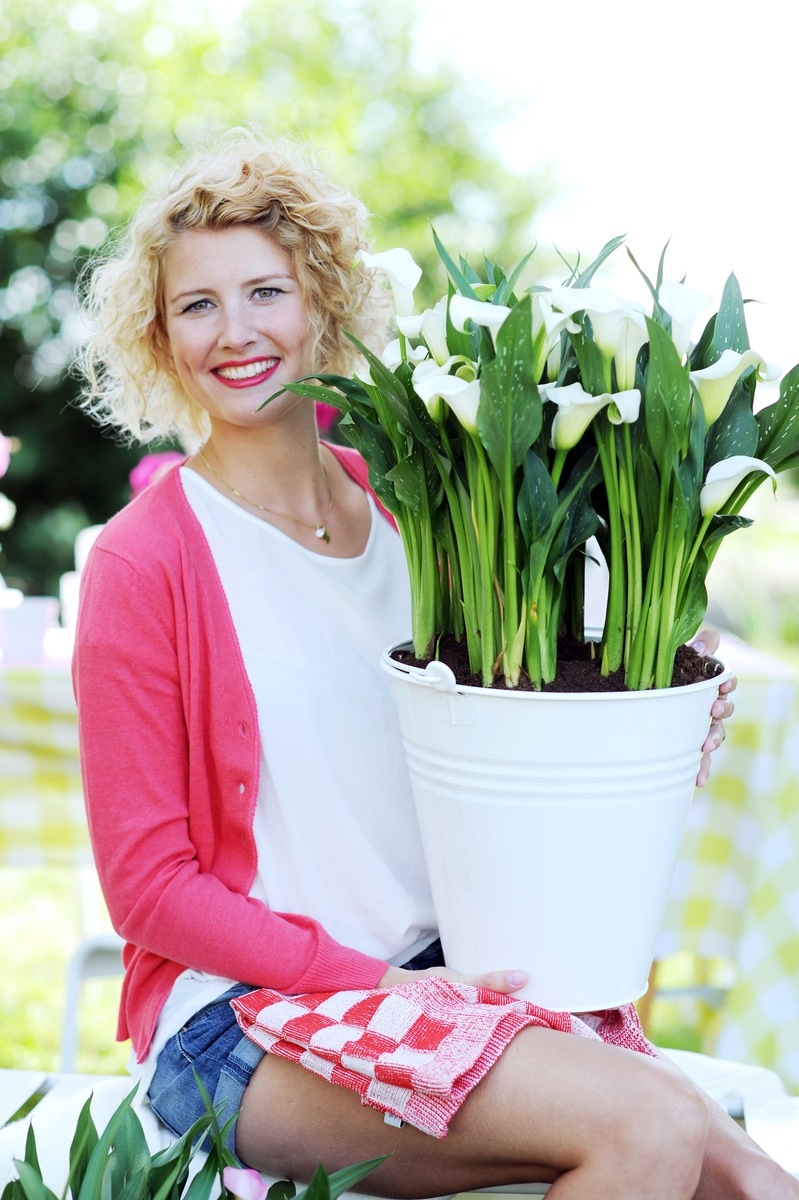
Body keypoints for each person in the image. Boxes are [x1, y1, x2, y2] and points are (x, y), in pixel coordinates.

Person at [72, 130, 794, 1200]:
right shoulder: (146, 560)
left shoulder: (421, 507)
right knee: (646, 1128)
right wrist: (377, 987)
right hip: (242, 1021)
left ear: (321, 302)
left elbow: (524, 744)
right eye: (197, 305)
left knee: (751, 1177)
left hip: (450, 977)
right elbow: (150, 893)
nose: (236, 333)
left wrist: (649, 725)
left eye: (265, 291)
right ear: (158, 334)